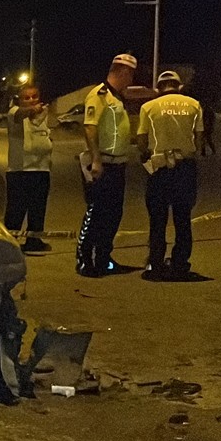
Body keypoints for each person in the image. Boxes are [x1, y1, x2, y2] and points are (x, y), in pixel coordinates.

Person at [135, 70, 204, 281]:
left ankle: (155, 263)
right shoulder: (194, 105)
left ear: (158, 88)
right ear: (179, 86)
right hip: (185, 168)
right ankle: (180, 263)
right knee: (183, 218)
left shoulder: (148, 107)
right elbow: (199, 139)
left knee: (158, 219)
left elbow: (141, 141)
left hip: (159, 169)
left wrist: (146, 155)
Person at [76, 53, 136, 277]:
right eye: (131, 74)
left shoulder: (117, 97)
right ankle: (84, 259)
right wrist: (96, 160)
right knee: (96, 212)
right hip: (104, 164)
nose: (131, 79)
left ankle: (103, 257)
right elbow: (89, 127)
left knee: (113, 214)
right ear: (123, 72)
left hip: (118, 164)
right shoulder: (99, 95)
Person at [3, 84, 53, 254]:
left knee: (38, 209)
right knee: (16, 211)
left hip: (41, 169)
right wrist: (32, 109)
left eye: (35, 96)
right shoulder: (14, 113)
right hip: (20, 171)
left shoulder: (43, 116)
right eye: (27, 98)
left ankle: (34, 241)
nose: (32, 101)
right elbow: (20, 114)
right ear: (19, 100)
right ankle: (9, 245)